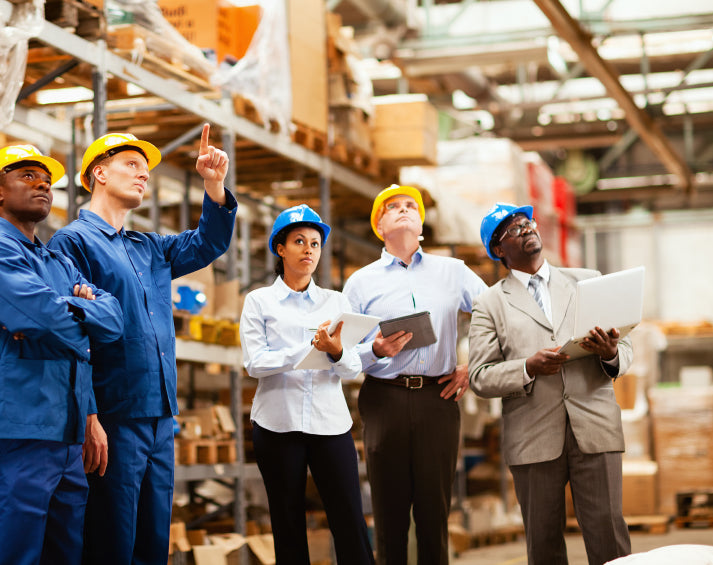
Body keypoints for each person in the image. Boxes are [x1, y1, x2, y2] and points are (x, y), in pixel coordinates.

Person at [47, 125, 237, 564]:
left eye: (146, 170)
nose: (143, 175)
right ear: (99, 172)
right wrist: (89, 414)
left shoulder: (148, 247)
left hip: (159, 417)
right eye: (131, 165)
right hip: (113, 415)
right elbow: (72, 335)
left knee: (153, 541)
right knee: (112, 540)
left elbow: (209, 241)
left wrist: (213, 185)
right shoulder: (72, 242)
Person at [0, 145, 123, 565]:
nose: (44, 184)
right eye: (28, 176)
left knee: (65, 553)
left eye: (46, 178)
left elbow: (113, 322)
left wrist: (88, 414)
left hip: (67, 434)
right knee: (13, 552)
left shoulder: (57, 263)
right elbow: (46, 321)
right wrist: (82, 313)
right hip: (18, 430)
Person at [468, 202, 632, 565]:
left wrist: (610, 353)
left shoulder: (587, 280)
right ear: (498, 250)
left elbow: (627, 345)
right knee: (543, 546)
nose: (526, 230)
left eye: (527, 223)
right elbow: (479, 376)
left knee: (610, 539)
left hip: (595, 427)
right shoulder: (490, 304)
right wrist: (527, 367)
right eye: (513, 230)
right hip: (533, 436)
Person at [342, 184, 487, 565]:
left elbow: (496, 315)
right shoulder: (360, 283)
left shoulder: (453, 272)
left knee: (433, 512)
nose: (404, 210)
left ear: (421, 224)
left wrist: (474, 364)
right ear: (380, 226)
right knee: (389, 516)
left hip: (436, 399)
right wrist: (375, 349)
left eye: (411, 206)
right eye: (393, 208)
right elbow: (342, 354)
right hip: (383, 398)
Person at [240, 204, 375, 565]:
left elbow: (351, 368)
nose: (308, 250)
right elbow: (255, 362)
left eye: (315, 243)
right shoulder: (259, 301)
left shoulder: (337, 302)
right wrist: (308, 349)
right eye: (299, 241)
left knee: (349, 518)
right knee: (287, 524)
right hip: (276, 424)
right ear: (280, 249)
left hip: (330, 425)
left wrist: (334, 352)